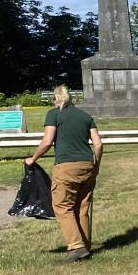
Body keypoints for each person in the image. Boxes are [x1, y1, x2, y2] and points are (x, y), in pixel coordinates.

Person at [25, 85, 101, 262]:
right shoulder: (86, 116)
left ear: (56, 98)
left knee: (62, 206)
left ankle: (76, 246)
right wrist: (96, 165)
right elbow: (98, 144)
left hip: (66, 167)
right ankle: (85, 247)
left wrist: (33, 158)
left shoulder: (54, 114)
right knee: (82, 208)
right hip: (88, 165)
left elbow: (47, 141)